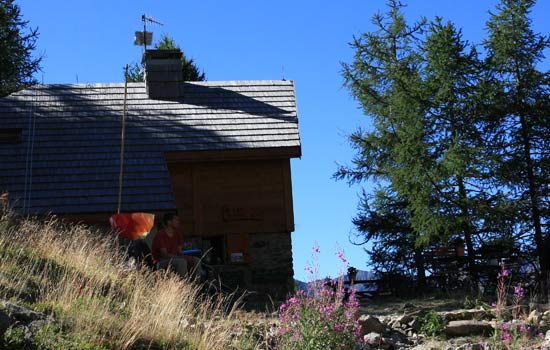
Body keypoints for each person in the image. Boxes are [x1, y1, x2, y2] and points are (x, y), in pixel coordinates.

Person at [152, 213, 200, 279]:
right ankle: (184, 286)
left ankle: (196, 285)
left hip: (175, 258)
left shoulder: (177, 234)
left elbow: (179, 251)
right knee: (181, 262)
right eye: (176, 220)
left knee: (196, 260)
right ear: (169, 222)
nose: (178, 222)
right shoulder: (161, 234)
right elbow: (164, 255)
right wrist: (180, 258)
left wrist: (188, 257)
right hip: (161, 262)